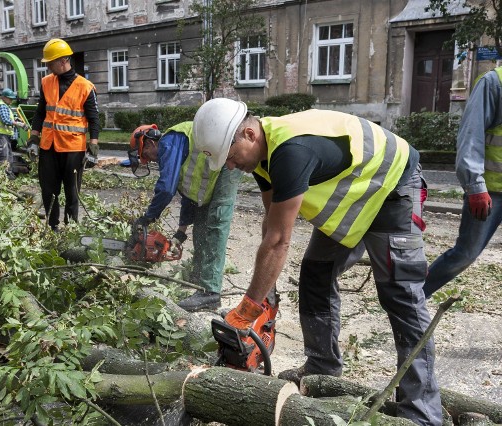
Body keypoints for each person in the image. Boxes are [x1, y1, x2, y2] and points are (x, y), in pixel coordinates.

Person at [192, 98, 442, 426]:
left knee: (401, 295)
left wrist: (249, 308)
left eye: (231, 157)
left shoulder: (290, 152)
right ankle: (323, 370)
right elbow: (272, 225)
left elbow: (281, 241)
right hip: (357, 194)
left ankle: (422, 411)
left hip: (393, 184)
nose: (230, 166)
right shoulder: (262, 156)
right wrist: (264, 294)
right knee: (315, 275)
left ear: (249, 135)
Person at [128, 122, 242, 311]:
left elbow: (166, 188)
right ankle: (198, 279)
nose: (150, 160)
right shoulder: (175, 148)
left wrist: (148, 217)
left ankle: (211, 292)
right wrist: (180, 233)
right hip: (212, 173)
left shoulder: (169, 142)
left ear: (149, 143)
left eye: (146, 155)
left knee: (216, 223)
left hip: (227, 160)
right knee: (200, 229)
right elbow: (191, 194)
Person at [424, 67, 502, 298]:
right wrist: (475, 186)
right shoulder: (494, 82)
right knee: (465, 254)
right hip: (490, 192)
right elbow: (471, 134)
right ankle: (412, 299)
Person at [28, 38, 100, 229]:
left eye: (51, 63)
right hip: (48, 146)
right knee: (48, 190)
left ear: (63, 61)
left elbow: (94, 119)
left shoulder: (85, 87)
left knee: (72, 193)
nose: (49, 67)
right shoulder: (46, 83)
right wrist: (34, 138)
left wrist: (93, 148)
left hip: (72, 149)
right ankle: (52, 227)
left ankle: (71, 229)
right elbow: (40, 113)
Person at [0, 88, 26, 179]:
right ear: (4, 97)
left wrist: (15, 119)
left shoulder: (6, 106)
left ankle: (8, 175)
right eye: (10, 98)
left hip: (4, 135)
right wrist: (19, 124)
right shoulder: (2, 106)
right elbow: (6, 120)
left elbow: (9, 117)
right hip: (1, 135)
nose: (11, 100)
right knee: (4, 156)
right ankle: (2, 177)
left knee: (9, 156)